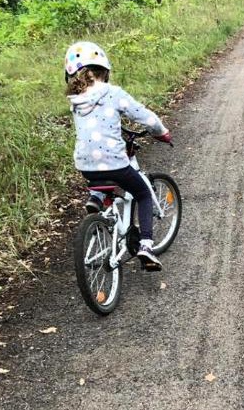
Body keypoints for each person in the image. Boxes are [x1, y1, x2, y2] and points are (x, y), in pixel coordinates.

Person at [65, 41, 172, 271]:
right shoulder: (112, 93)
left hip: (85, 164)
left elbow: (95, 130)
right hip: (114, 162)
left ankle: (96, 198)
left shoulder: (74, 101)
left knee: (101, 173)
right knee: (143, 193)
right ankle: (145, 245)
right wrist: (162, 132)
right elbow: (146, 118)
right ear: (105, 70)